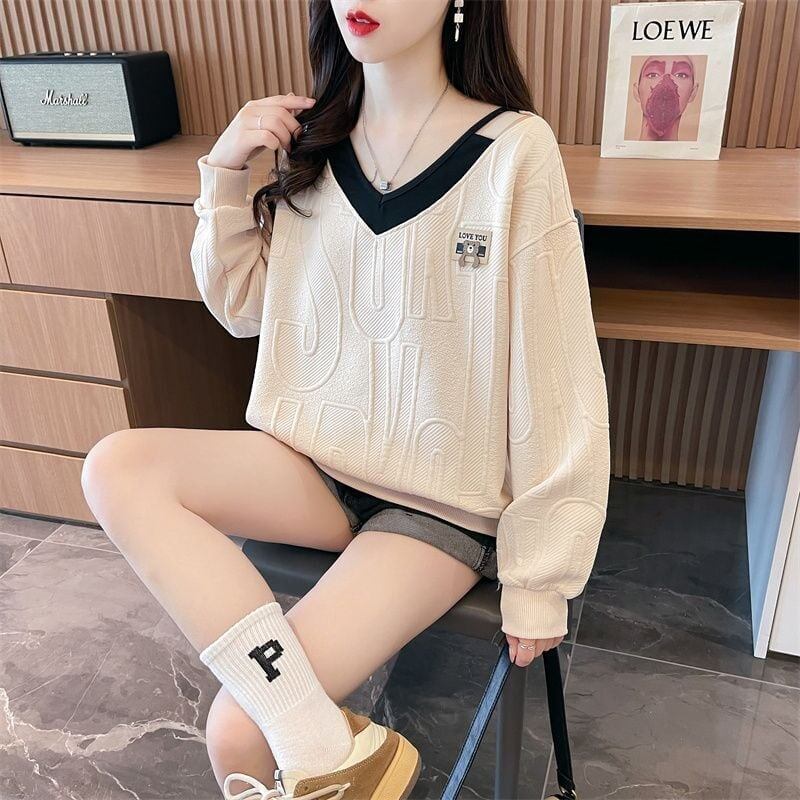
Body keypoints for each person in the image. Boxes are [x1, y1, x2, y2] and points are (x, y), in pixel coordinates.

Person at [81, 1, 611, 798]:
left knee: (237, 727)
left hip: (438, 504)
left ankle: (325, 753)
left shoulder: (514, 151)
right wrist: (225, 172)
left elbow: (556, 376)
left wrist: (540, 581)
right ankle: (332, 754)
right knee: (117, 466)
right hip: (314, 464)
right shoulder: (317, 140)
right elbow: (245, 309)